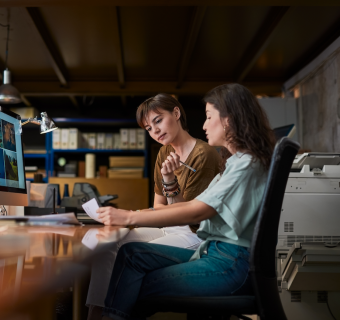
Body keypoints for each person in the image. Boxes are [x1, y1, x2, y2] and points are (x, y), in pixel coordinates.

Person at [97, 83, 276, 320]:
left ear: (229, 120)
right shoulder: (235, 163)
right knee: (131, 254)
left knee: (133, 283)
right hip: (214, 252)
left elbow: (195, 212)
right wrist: (163, 188)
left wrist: (129, 216)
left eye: (208, 117)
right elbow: (188, 205)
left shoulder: (245, 165)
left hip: (230, 263)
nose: (203, 125)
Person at [86, 94, 220, 320]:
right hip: (170, 226)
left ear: (176, 113)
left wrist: (134, 214)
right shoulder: (165, 152)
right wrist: (138, 213)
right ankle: (95, 314)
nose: (155, 131)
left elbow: (189, 217)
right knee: (106, 245)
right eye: (149, 128)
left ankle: (114, 314)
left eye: (158, 120)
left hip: (196, 234)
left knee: (127, 255)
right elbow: (159, 206)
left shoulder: (203, 154)